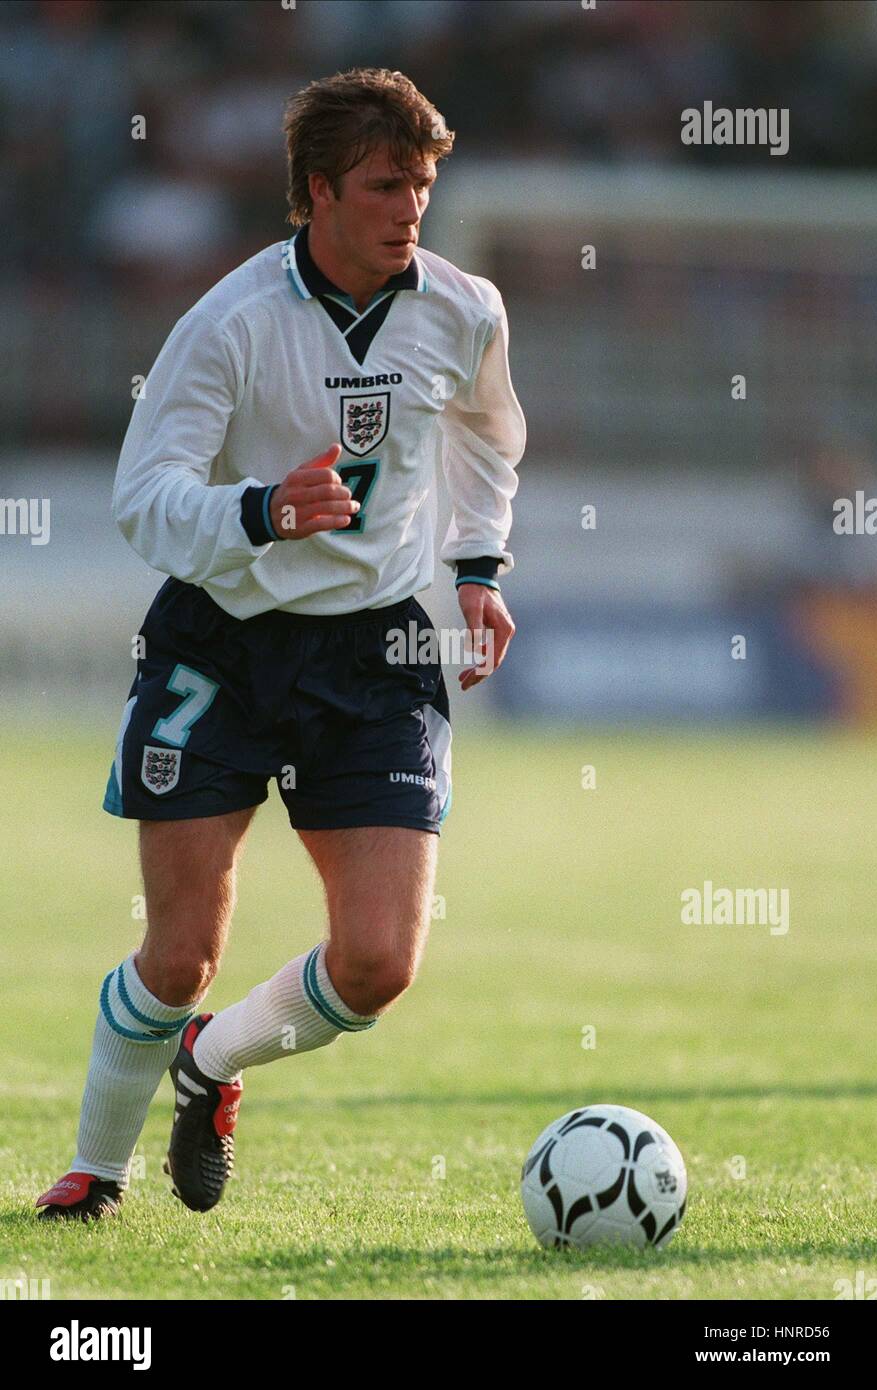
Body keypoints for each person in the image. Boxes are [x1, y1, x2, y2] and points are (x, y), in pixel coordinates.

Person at [37, 67, 525, 1221]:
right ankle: (93, 1176)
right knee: (176, 956)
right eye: (384, 185)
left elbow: (489, 437)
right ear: (317, 193)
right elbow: (142, 496)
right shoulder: (230, 323)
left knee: (376, 965)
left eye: (422, 183)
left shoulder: (465, 309)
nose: (411, 207)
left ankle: (209, 1065)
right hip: (224, 645)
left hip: (376, 657)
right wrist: (259, 510)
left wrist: (476, 567)